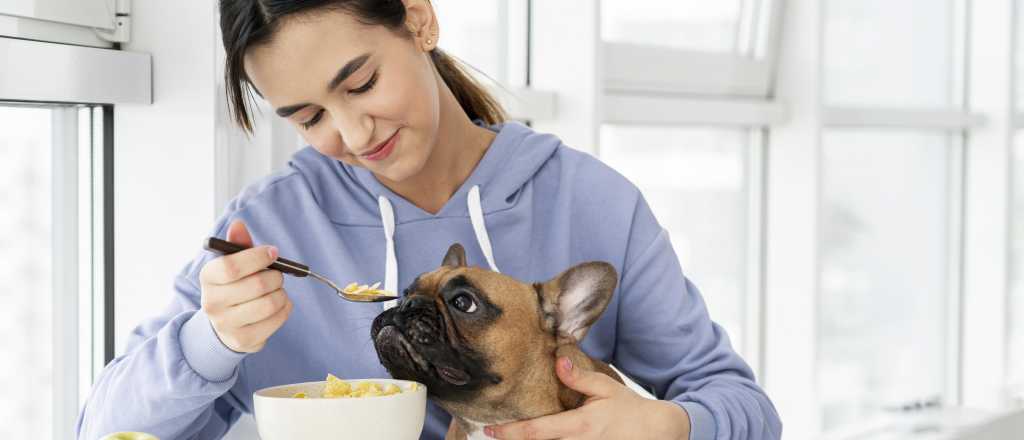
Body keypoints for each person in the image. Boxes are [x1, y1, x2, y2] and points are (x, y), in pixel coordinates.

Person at [77, 1, 782, 439]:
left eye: (361, 83)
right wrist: (212, 337)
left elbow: (744, 407)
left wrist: (671, 425)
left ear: (419, 18)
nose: (354, 134)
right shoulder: (270, 228)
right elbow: (101, 431)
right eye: (309, 117)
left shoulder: (590, 200)